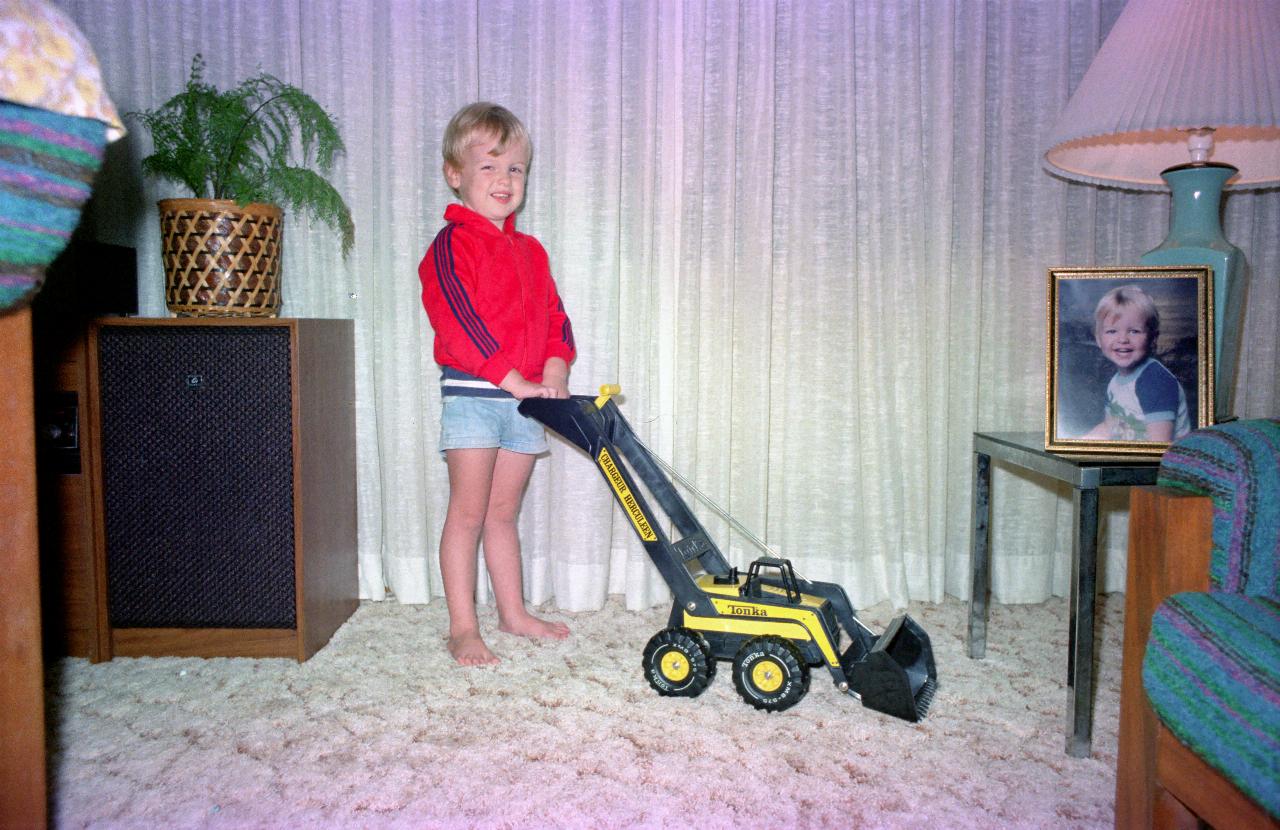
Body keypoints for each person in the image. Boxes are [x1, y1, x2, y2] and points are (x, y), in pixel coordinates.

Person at [418, 102, 575, 665]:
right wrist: (511, 379)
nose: (505, 180)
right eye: (489, 166)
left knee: (502, 515)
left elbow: (556, 317)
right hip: (476, 399)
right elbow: (458, 324)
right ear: (454, 174)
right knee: (467, 512)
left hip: (527, 401)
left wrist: (553, 370)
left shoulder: (532, 251)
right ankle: (463, 626)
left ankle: (512, 614)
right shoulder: (450, 246)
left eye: (516, 169)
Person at [1081, 284, 1190, 442]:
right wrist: (1080, 442)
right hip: (1133, 461)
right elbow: (1109, 427)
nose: (1123, 339)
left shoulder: (1155, 381)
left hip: (1164, 463)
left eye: (1134, 331)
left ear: (1152, 338)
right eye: (1112, 331)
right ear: (1098, 339)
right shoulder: (1115, 382)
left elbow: (1159, 445)